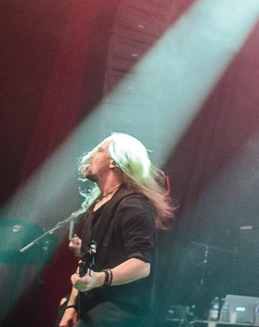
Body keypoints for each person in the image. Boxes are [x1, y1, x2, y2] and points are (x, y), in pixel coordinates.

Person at [59, 133, 175, 327]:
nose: (90, 155)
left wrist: (99, 279)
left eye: (99, 150)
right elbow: (86, 264)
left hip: (120, 308)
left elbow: (142, 265)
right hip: (92, 303)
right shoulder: (96, 206)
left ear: (114, 161)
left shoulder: (132, 205)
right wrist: (72, 305)